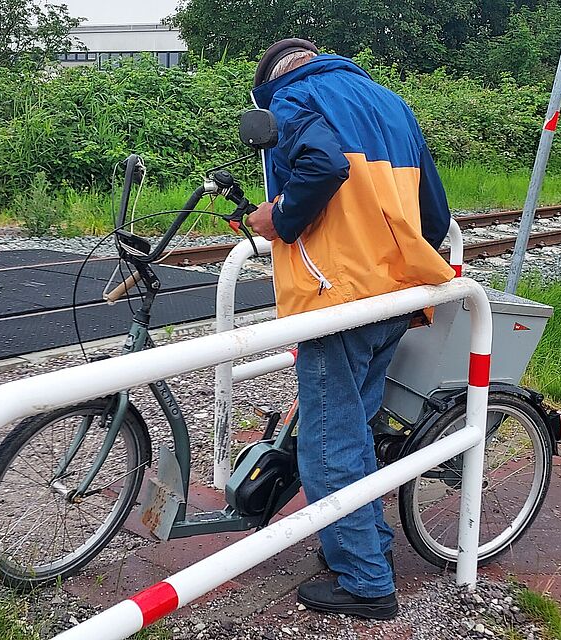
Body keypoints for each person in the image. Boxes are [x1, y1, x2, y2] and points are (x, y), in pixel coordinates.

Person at [246, 39, 457, 620]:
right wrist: (389, 263)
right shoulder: (390, 104)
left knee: (328, 442)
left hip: (338, 298)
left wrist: (280, 217)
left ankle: (365, 580)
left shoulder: (293, 98)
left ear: (272, 79)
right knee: (354, 429)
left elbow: (323, 165)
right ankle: (365, 543)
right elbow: (436, 217)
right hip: (395, 295)